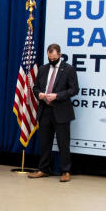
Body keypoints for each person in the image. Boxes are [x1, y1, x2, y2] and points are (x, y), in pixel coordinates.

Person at [29, 44, 80, 182]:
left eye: (54, 58)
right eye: (49, 58)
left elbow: (74, 89)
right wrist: (39, 94)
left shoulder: (69, 69)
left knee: (63, 142)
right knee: (45, 142)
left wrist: (57, 96)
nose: (51, 60)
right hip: (45, 110)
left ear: (60, 55)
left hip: (61, 111)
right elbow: (36, 87)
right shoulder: (43, 69)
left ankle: (65, 171)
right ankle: (43, 169)